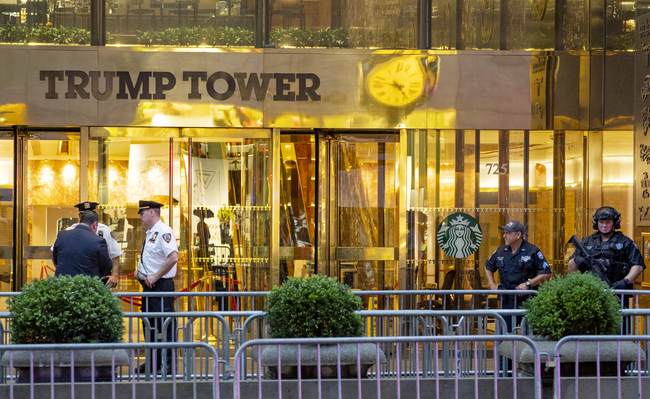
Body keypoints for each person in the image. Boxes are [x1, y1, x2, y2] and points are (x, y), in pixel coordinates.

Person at [485, 220, 551, 333]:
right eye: (504, 232)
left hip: (527, 302)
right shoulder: (501, 251)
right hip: (506, 302)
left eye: (508, 233)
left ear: (518, 235)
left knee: (528, 337)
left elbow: (546, 274)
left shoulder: (532, 251)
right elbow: (488, 267)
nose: (504, 236)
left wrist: (528, 284)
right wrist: (492, 284)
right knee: (504, 337)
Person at [136, 200, 179, 375]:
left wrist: (155, 275)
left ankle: (168, 364)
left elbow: (173, 257)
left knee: (165, 324)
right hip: (150, 287)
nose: (140, 216)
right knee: (150, 324)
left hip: (161, 286)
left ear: (152, 213)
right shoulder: (150, 233)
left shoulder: (163, 231)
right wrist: (142, 272)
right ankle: (153, 362)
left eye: (142, 213)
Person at [568, 206, 645, 292]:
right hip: (590, 291)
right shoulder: (586, 242)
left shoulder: (625, 242)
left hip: (617, 291)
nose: (604, 225)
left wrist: (625, 282)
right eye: (601, 222)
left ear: (615, 223)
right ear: (596, 223)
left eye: (608, 222)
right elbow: (571, 268)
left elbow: (638, 266)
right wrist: (576, 260)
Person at [51, 201, 122, 288]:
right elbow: (54, 252)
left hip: (98, 280)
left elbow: (115, 254)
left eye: (90, 213)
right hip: (78, 281)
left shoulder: (105, 230)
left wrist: (114, 275)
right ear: (80, 216)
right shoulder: (70, 230)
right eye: (84, 214)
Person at [52, 210, 113, 278]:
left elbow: (55, 258)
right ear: (95, 225)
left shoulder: (61, 236)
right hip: (87, 286)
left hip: (63, 284)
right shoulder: (98, 241)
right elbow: (107, 267)